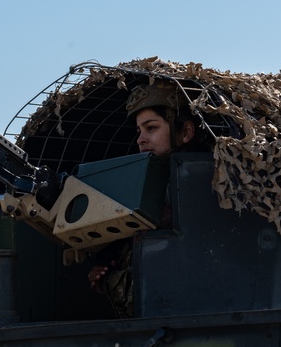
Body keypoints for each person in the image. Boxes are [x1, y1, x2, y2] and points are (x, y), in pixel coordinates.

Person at [88, 81, 211, 309]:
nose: (140, 139)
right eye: (139, 131)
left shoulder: (208, 180)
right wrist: (107, 278)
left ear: (185, 132)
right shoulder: (151, 182)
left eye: (151, 128)